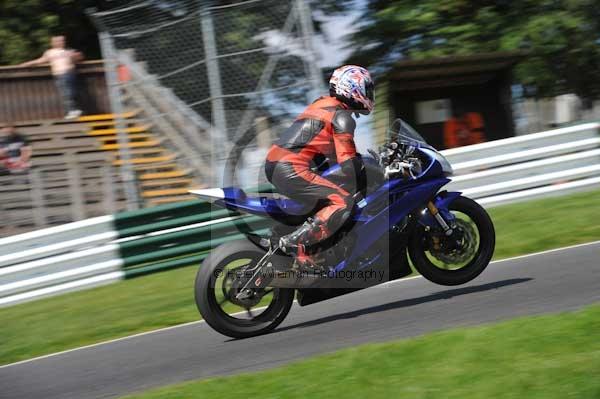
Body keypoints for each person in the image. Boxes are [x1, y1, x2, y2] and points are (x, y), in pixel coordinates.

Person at [264, 65, 374, 270]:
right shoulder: (342, 117)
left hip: (275, 164)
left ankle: (313, 252)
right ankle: (298, 243)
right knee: (342, 202)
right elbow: (348, 162)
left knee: (325, 202)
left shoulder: (323, 103)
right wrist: (371, 172)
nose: (369, 94)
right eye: (366, 88)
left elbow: (325, 150)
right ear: (353, 87)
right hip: (291, 168)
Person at [20, 35, 84, 120]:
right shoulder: (50, 52)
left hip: (68, 73)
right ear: (53, 43)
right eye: (58, 41)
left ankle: (73, 110)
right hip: (58, 75)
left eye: (62, 41)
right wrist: (27, 64)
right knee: (65, 94)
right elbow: (40, 60)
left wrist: (77, 56)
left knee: (69, 93)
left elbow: (80, 58)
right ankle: (72, 110)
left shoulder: (68, 51)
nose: (60, 42)